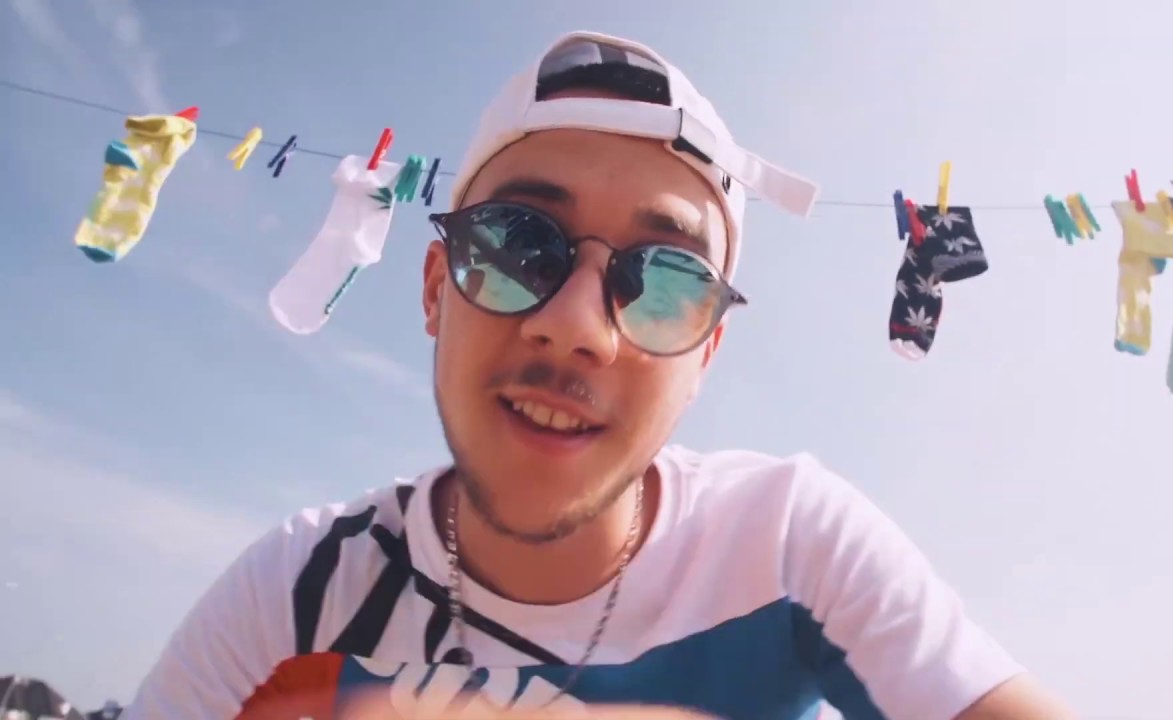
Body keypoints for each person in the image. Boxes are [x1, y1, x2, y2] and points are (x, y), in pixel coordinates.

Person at [123, 30, 1075, 720]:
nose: (578, 328)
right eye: (514, 247)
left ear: (705, 355)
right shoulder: (300, 590)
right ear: (435, 289)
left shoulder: (788, 546)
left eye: (667, 285)